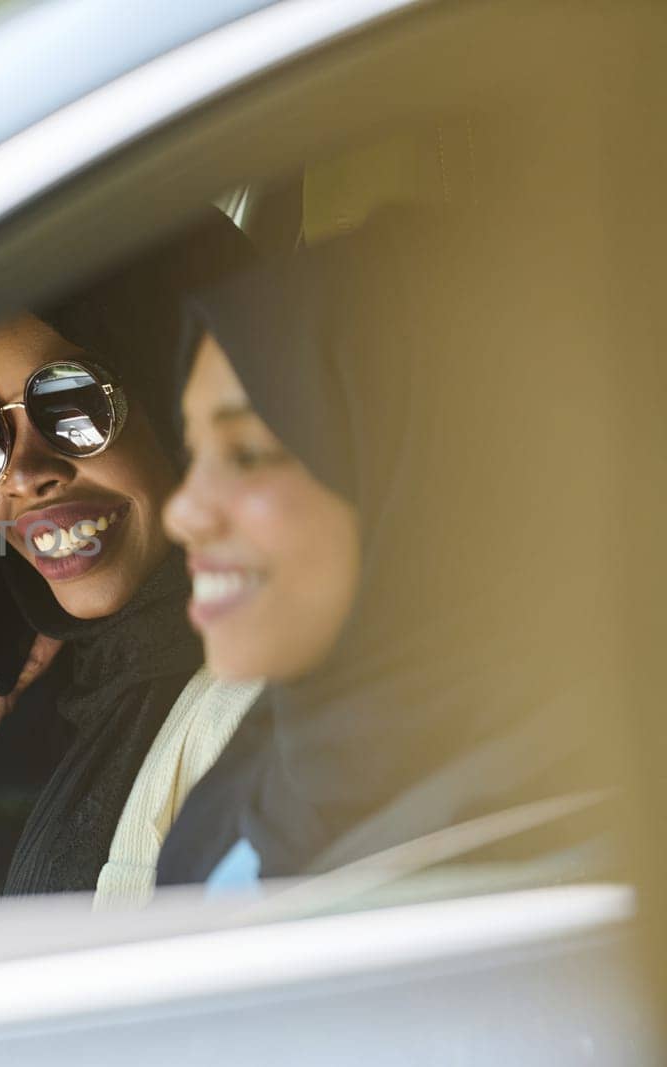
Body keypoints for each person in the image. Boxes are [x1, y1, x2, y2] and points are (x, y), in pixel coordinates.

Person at [155, 211, 608, 888]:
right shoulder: (280, 758)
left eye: (248, 453)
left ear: (428, 478)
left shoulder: (533, 854)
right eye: (194, 455)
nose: (181, 512)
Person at [0, 211, 261, 903]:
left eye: (73, 404)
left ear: (192, 405)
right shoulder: (42, 690)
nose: (22, 472)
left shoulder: (254, 721)